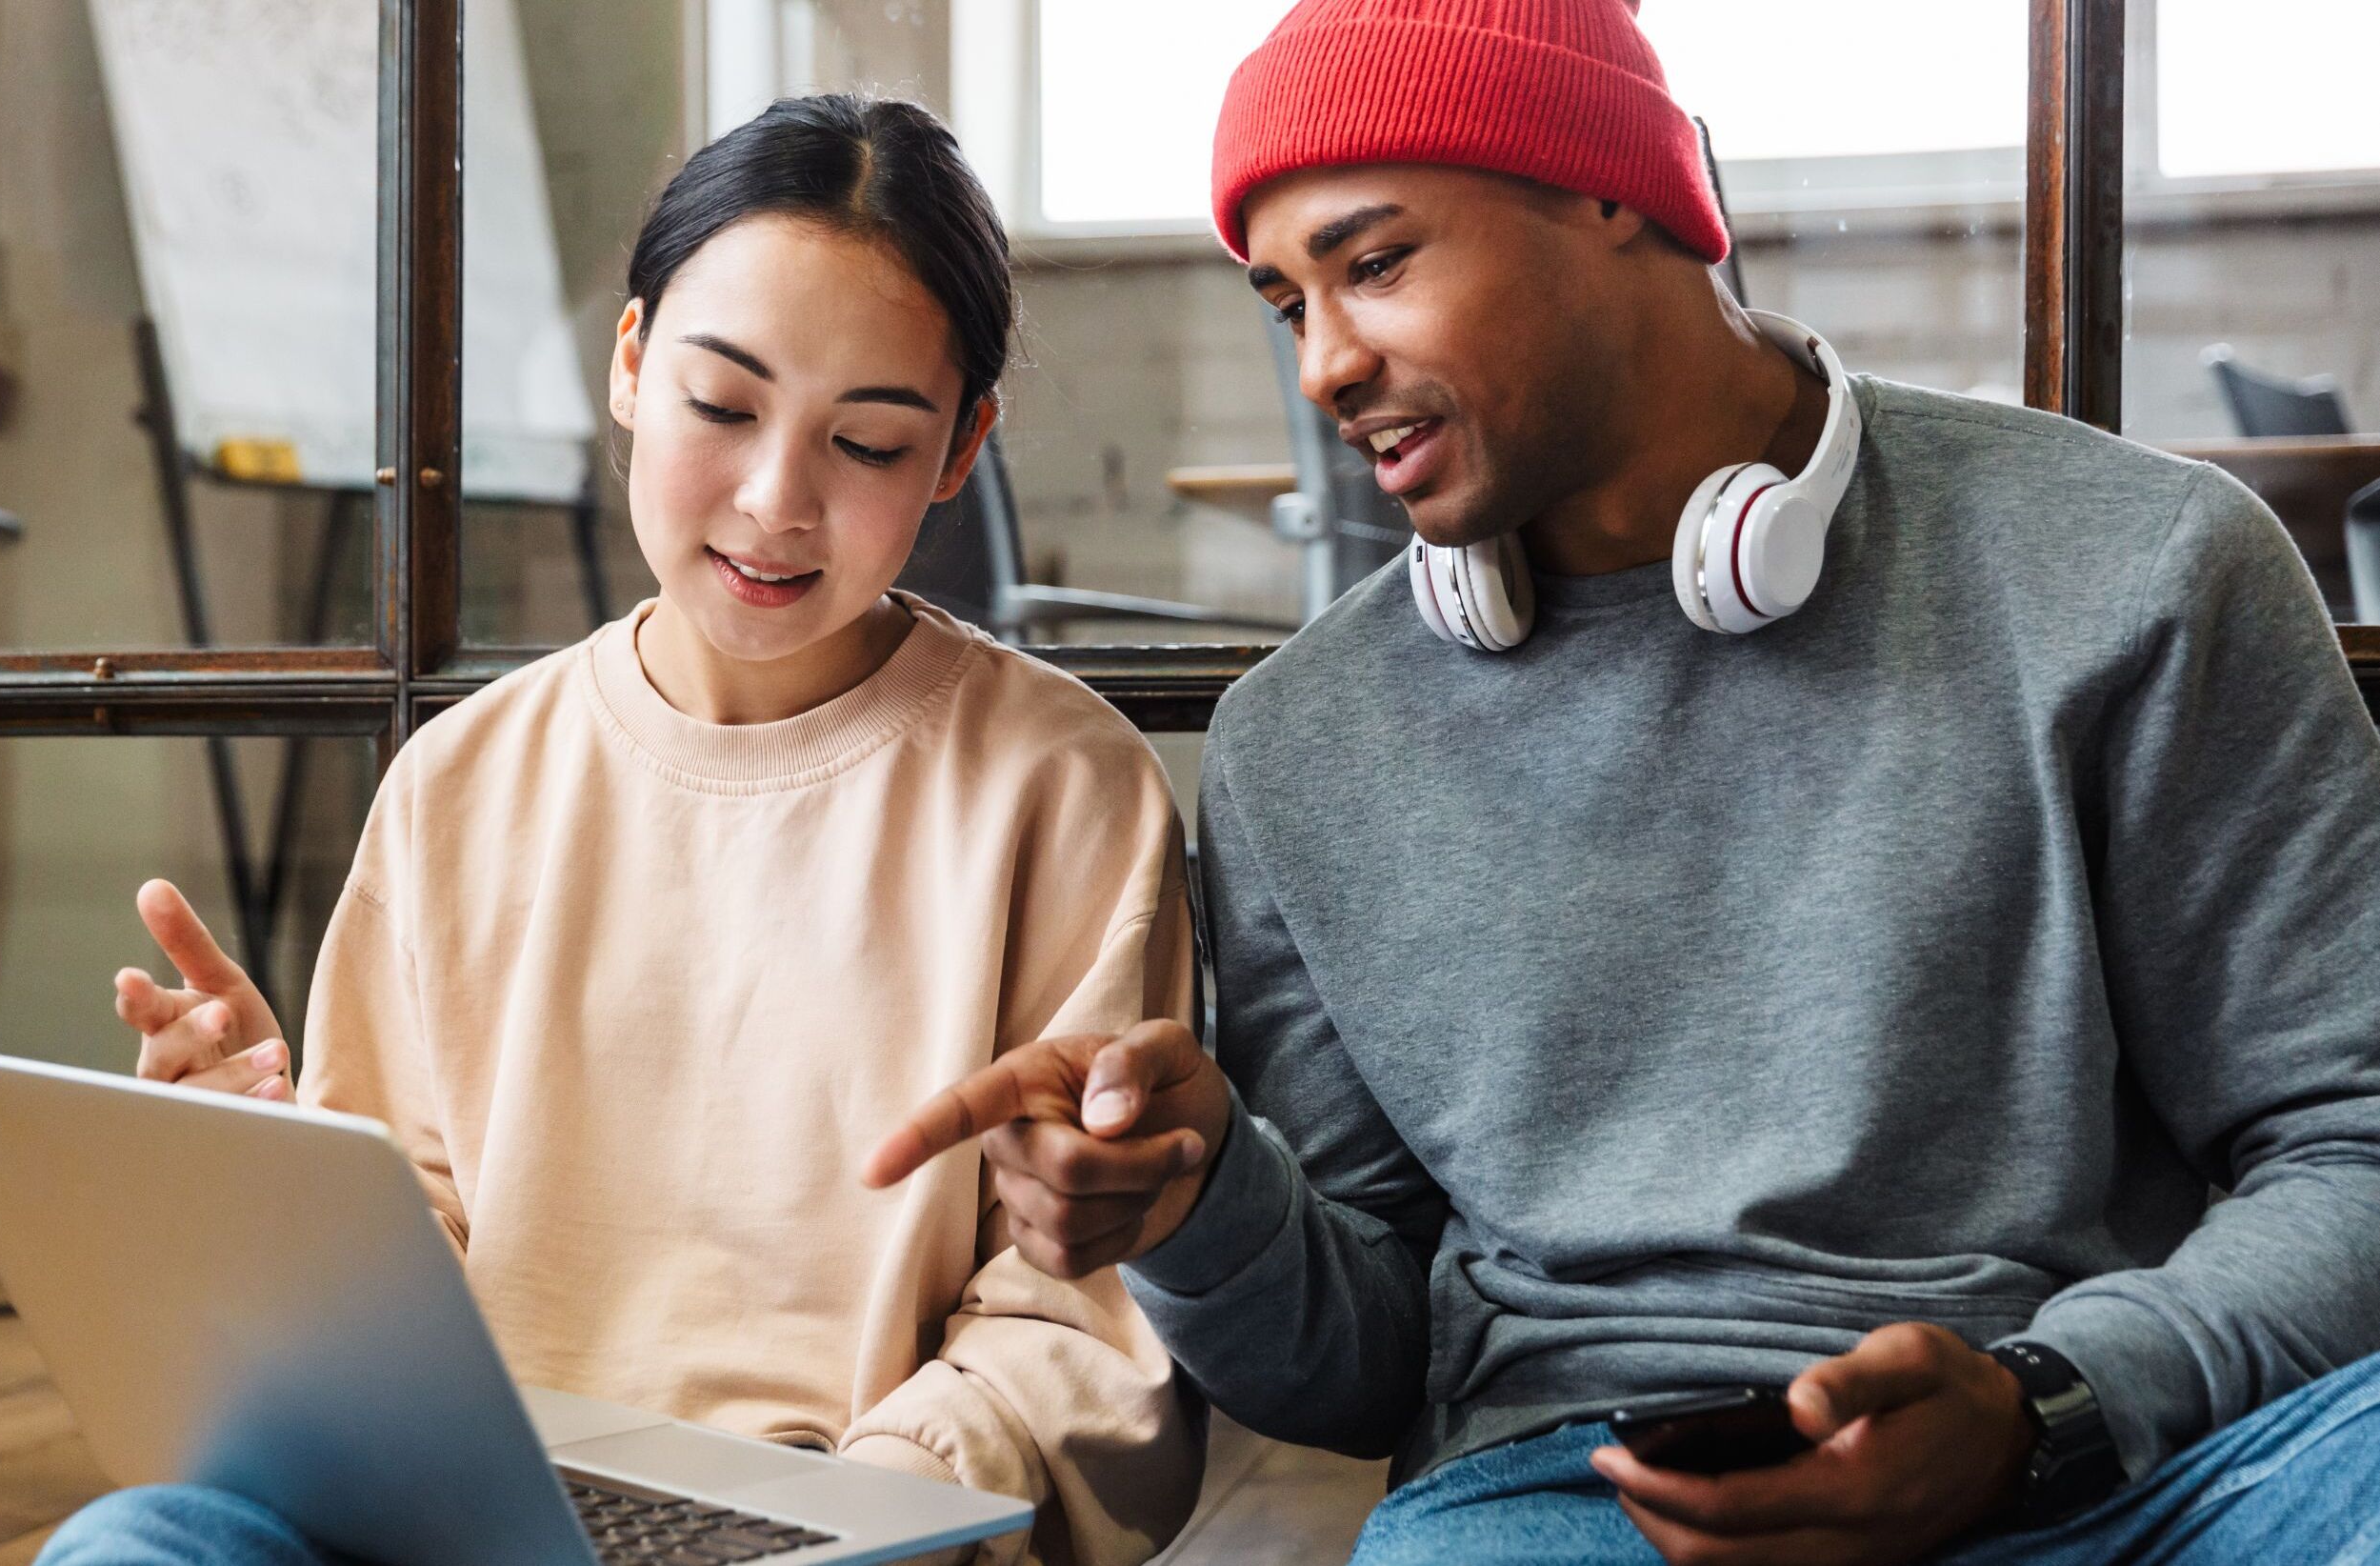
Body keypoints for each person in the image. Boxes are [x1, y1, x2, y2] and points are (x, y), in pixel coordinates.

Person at [866, 2, 2380, 1563]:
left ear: (1610, 193)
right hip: (1583, 1500)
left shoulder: (2136, 571)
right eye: (1285, 302)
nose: (1323, 362)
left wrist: (2049, 1406)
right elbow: (1362, 1359)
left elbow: (2356, 1143)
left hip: (2124, 1459)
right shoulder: (1302, 743)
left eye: (1373, 263)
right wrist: (1196, 1211)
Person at [40, 94, 1204, 1566]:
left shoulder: (1060, 784)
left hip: (853, 1521)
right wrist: (256, 1183)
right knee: (136, 1543)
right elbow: (405, 1299)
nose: (777, 502)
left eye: (866, 442)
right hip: (469, 1511)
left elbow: (1074, 1328)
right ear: (633, 364)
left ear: (961, 448)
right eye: (721, 408)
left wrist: (858, 1517)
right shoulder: (462, 775)